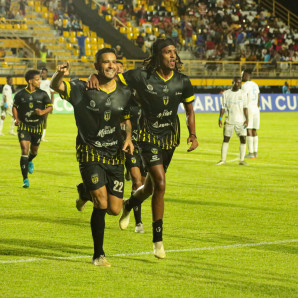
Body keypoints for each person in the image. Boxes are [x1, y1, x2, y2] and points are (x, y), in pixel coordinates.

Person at [87, 38, 198, 259]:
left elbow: (189, 110)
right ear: (158, 55)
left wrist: (192, 134)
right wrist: (94, 76)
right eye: (168, 52)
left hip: (170, 140)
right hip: (148, 137)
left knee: (150, 187)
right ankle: (158, 240)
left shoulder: (183, 81)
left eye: (174, 52)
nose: (173, 56)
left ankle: (130, 203)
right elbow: (113, 77)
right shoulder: (141, 76)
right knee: (161, 183)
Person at [50, 48, 134, 267]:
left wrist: (128, 137)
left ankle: (84, 192)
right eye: (105, 62)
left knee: (114, 210)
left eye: (114, 62)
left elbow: (126, 117)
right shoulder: (81, 88)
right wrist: (60, 74)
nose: (110, 65)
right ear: (96, 66)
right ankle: (99, 254)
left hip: (115, 154)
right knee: (102, 202)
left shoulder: (124, 91)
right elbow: (55, 86)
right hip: (90, 151)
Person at [12, 70, 53, 188]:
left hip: (37, 127)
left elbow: (50, 107)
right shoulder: (20, 94)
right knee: (24, 149)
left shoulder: (43, 94)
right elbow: (14, 107)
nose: (39, 81)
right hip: (24, 126)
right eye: (37, 79)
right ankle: (25, 179)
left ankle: (30, 160)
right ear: (30, 81)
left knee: (34, 151)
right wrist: (16, 119)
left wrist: (42, 112)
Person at [216, 77, 248, 166]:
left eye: (240, 83)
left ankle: (241, 160)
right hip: (229, 121)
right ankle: (223, 160)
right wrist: (220, 118)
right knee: (226, 139)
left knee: (243, 139)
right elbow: (223, 107)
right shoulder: (226, 93)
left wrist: (247, 120)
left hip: (241, 121)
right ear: (233, 82)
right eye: (237, 82)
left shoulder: (243, 93)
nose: (239, 84)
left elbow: (245, 108)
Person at [241, 69, 260, 159]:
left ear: (246, 75)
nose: (242, 77)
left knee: (248, 129)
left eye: (243, 75)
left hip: (249, 108)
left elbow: (244, 98)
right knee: (254, 130)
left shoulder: (244, 86)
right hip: (256, 108)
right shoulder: (255, 85)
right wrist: (257, 108)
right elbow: (259, 99)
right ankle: (255, 152)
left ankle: (251, 152)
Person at [39, 68, 55, 142]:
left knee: (44, 120)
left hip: (46, 103)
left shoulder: (49, 82)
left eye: (44, 73)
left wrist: (51, 105)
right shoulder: (38, 82)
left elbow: (52, 94)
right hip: (39, 103)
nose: (43, 74)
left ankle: (42, 136)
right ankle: (37, 135)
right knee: (38, 119)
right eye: (42, 73)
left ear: (47, 73)